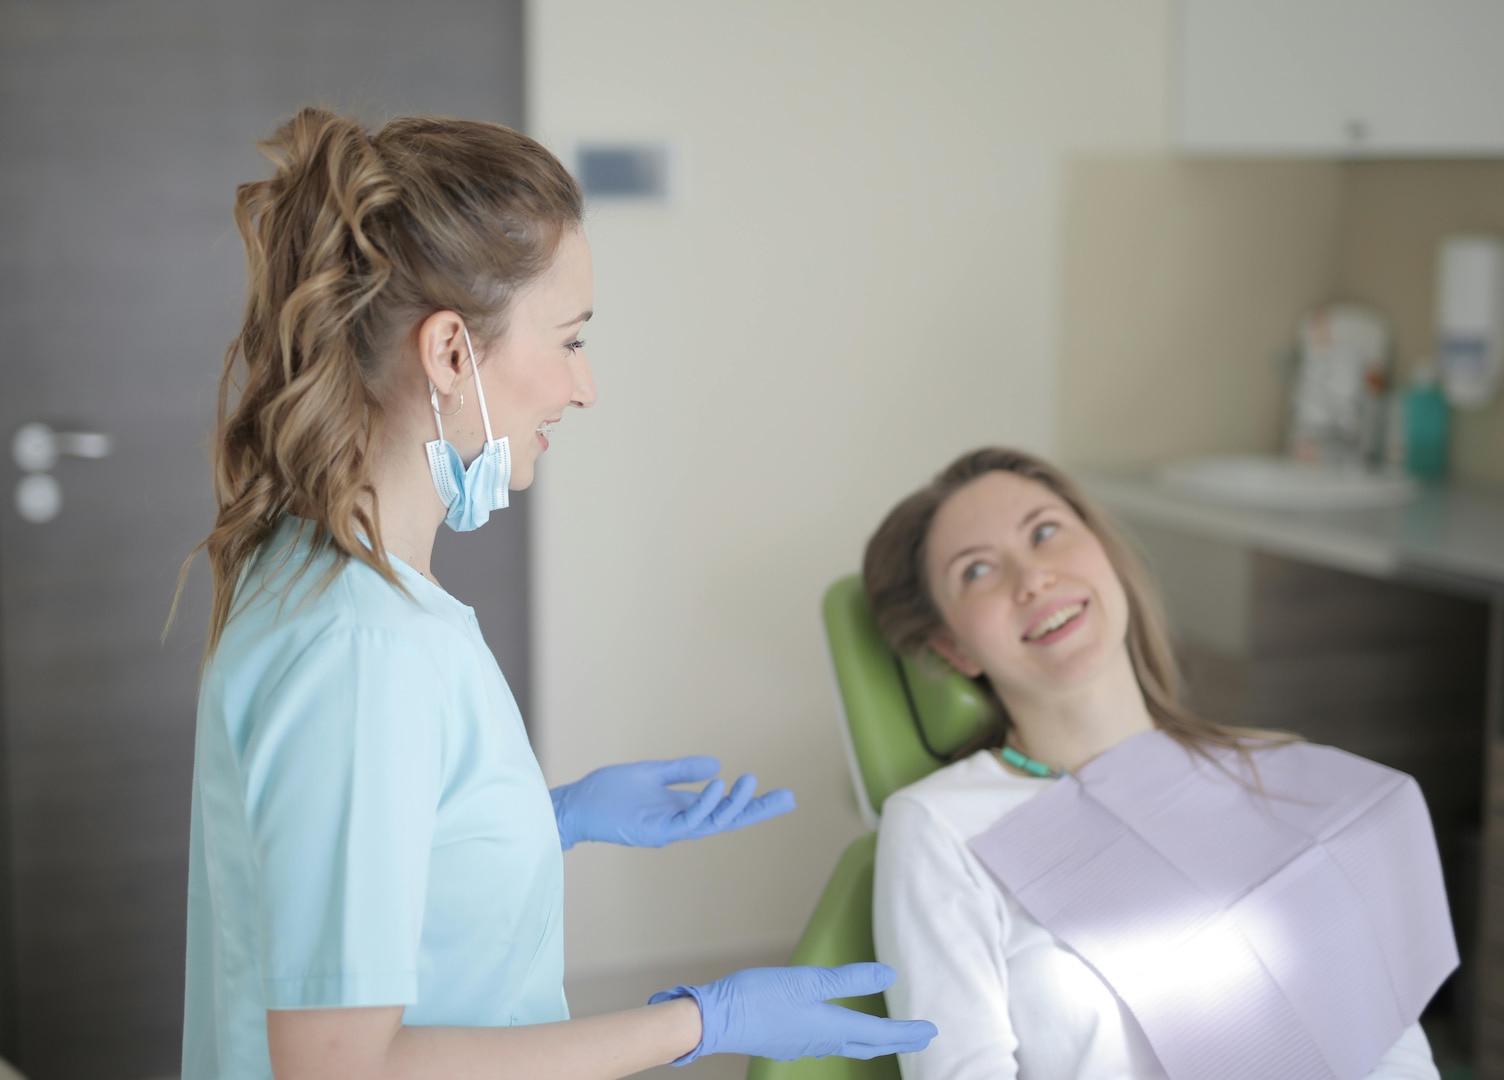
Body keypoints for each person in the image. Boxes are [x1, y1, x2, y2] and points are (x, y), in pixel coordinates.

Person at [177, 108, 937, 1080]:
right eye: (570, 339)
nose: (583, 388)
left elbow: (353, 854)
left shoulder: (324, 570)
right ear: (451, 353)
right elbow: (338, 1066)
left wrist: (547, 818)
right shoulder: (364, 649)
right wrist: (705, 1022)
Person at [862, 447, 1455, 1080]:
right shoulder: (944, 827)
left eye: (1044, 532)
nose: (1031, 579)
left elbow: (1385, 1041)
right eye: (977, 570)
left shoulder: (1269, 775)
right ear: (955, 646)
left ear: (1107, 556)